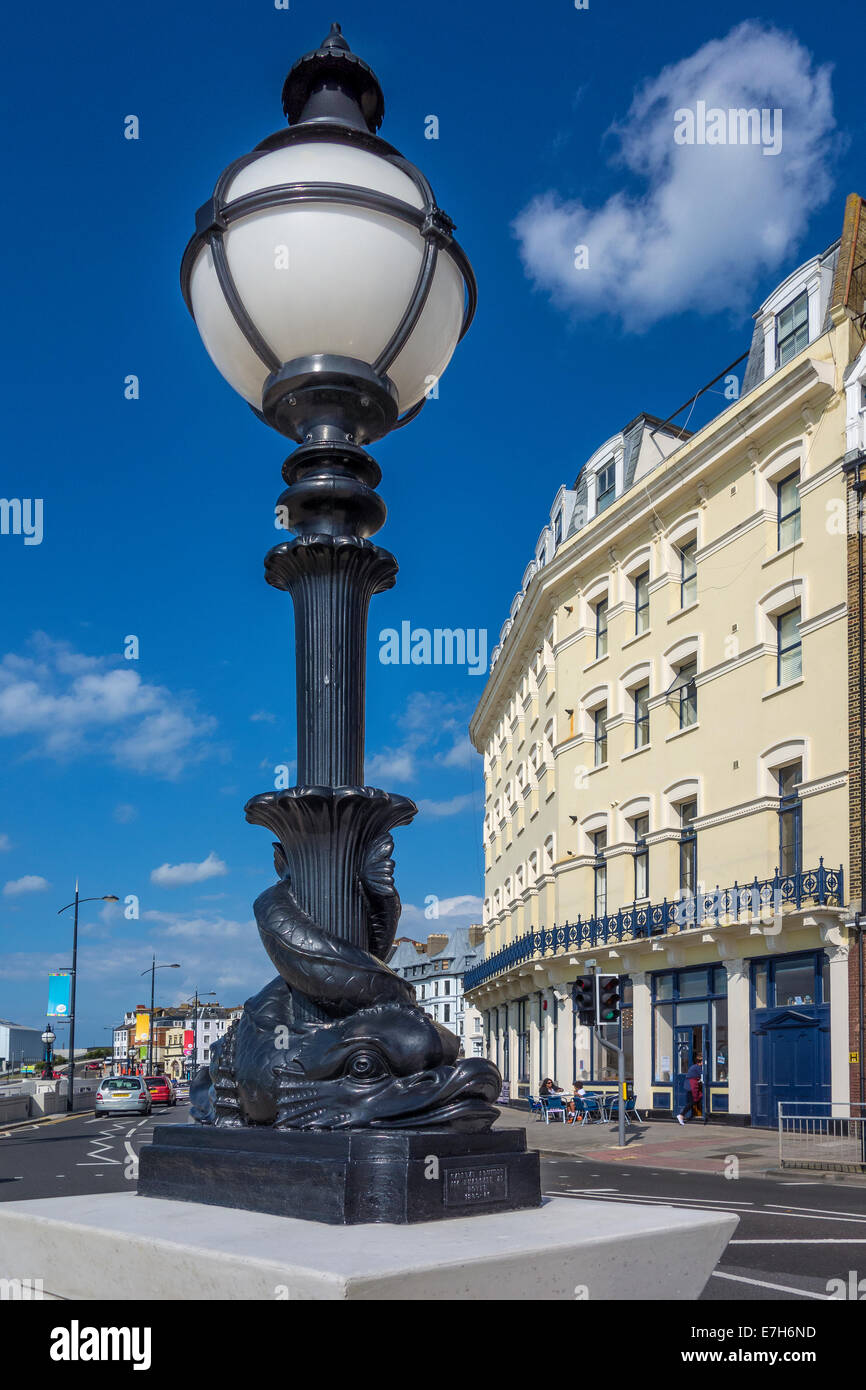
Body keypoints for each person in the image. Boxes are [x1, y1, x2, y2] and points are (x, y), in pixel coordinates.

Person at [677, 1055, 703, 1125]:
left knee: (698, 1099)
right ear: (701, 1062)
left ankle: (703, 1113)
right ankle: (681, 1115)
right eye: (703, 1061)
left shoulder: (694, 1066)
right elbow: (702, 1076)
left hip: (690, 1085)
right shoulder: (698, 1067)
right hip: (692, 1086)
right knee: (692, 1102)